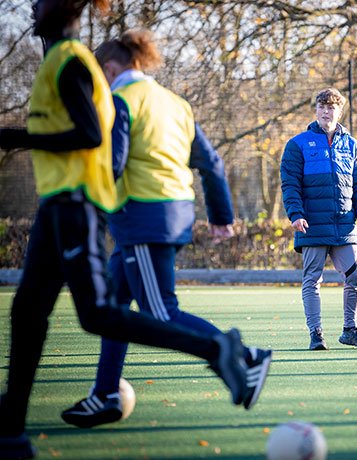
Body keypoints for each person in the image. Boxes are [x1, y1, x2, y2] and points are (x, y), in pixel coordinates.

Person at [0, 2, 255, 458]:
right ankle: (19, 425)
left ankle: (220, 349)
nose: (31, 7)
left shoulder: (76, 65)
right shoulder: (162, 97)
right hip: (81, 205)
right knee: (31, 313)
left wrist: (13, 137)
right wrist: (220, 215)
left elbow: (96, 141)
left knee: (116, 313)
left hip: (93, 206)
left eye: (39, 0)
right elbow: (210, 164)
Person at [59, 29, 271, 429]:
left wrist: (84, 206)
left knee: (160, 312)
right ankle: (105, 394)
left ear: (108, 70)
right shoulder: (176, 103)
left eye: (95, 80)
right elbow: (211, 164)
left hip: (142, 216)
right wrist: (222, 216)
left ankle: (245, 356)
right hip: (170, 212)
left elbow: (114, 164)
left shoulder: (121, 100)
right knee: (114, 311)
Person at [280, 87, 357, 351]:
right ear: (316, 110)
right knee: (313, 280)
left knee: (355, 277)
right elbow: (290, 185)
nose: (326, 111)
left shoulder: (352, 145)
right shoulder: (297, 144)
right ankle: (316, 334)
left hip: (345, 226)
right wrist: (296, 215)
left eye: (331, 107)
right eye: (322, 107)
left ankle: (350, 330)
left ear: (339, 111)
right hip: (312, 225)